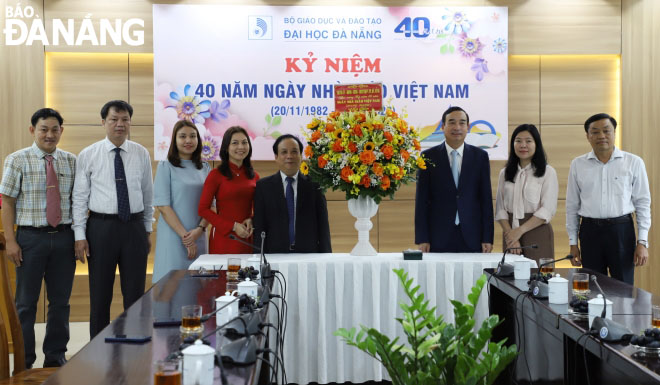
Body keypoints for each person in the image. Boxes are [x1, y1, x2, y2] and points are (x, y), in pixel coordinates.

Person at [0, 108, 79, 368]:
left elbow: (77, 202)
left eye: (55, 129)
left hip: (64, 238)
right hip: (30, 239)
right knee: (25, 304)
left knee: (60, 303)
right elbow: (7, 202)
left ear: (61, 132)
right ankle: (24, 361)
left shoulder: (70, 160)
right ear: (33, 130)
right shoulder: (16, 159)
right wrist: (11, 241)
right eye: (44, 129)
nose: (50, 134)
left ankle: (55, 359)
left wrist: (79, 237)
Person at [72, 100, 154, 338]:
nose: (120, 124)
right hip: (100, 228)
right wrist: (80, 236)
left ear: (130, 122)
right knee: (100, 295)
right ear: (103, 122)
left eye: (125, 120)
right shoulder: (88, 154)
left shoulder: (141, 153)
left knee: (135, 294)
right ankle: (98, 350)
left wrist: (146, 230)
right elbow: (79, 198)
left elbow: (148, 194)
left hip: (134, 228)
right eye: (114, 119)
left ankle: (136, 345)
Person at [566, 113, 651, 284]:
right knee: (593, 287)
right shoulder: (578, 164)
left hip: (621, 230)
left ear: (614, 132)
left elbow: (643, 203)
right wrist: (573, 243)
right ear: (588, 136)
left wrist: (642, 241)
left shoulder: (633, 162)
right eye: (595, 132)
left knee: (624, 286)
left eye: (606, 131)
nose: (601, 136)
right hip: (590, 231)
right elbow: (572, 206)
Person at [415, 106, 494, 253]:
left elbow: (486, 200)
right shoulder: (428, 157)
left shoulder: (480, 157)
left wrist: (487, 237)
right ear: (443, 127)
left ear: (468, 127)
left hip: (472, 236)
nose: (457, 127)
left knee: (473, 277)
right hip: (437, 236)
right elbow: (422, 201)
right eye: (451, 122)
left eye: (462, 123)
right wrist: (422, 238)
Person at [152, 120, 211, 284]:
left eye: (193, 136)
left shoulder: (205, 168)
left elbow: (212, 205)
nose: (188, 141)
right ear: (174, 140)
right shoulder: (166, 167)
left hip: (199, 235)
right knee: (171, 285)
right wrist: (186, 237)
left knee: (198, 287)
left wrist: (199, 230)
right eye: (182, 136)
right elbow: (163, 206)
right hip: (173, 238)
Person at [253, 134, 332, 253]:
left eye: (294, 152)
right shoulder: (263, 187)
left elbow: (323, 227)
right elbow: (259, 228)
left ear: (301, 156)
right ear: (276, 157)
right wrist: (258, 258)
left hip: (308, 254)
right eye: (284, 152)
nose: (289, 156)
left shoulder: (315, 185)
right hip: (274, 255)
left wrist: (327, 257)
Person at [494, 124, 558, 262]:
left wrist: (519, 231)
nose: (523, 145)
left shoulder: (548, 172)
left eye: (528, 141)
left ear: (536, 144)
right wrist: (511, 235)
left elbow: (547, 210)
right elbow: (500, 209)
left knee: (538, 277)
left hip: (537, 231)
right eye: (518, 141)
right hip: (509, 232)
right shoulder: (504, 173)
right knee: (510, 278)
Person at [198, 126, 259, 253]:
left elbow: (260, 208)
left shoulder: (255, 176)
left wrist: (252, 220)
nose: (241, 147)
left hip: (248, 236)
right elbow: (203, 209)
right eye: (235, 143)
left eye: (244, 142)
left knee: (249, 272)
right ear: (226, 147)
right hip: (225, 237)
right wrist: (233, 226)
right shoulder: (216, 175)